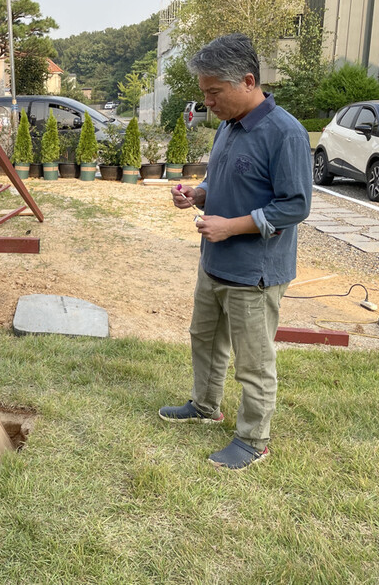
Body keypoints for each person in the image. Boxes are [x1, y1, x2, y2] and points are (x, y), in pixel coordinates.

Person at [158, 33, 312, 470]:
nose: (207, 102)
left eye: (213, 92)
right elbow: (224, 179)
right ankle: (206, 406)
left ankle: (253, 440)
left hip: (255, 272)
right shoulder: (228, 125)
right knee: (204, 340)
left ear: (247, 81)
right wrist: (199, 194)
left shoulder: (286, 133)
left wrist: (233, 227)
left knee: (254, 361)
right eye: (204, 93)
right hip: (215, 263)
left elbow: (295, 205)